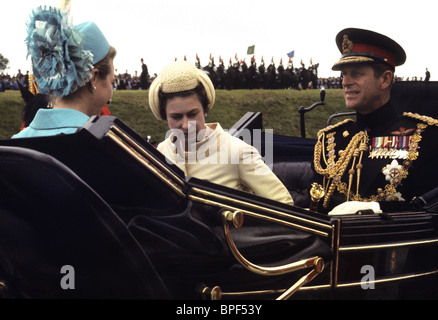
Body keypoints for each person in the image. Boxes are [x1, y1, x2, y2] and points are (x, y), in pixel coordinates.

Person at [312, 28, 438, 215]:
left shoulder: (425, 136)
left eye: (356, 74)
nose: (345, 82)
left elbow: (431, 210)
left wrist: (377, 209)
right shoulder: (330, 140)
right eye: (343, 74)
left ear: (385, 79)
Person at [148, 61, 294, 205]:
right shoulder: (161, 151)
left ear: (205, 109)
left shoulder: (238, 152)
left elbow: (284, 205)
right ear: (164, 116)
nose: (186, 125)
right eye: (176, 117)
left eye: (193, 114)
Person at [12, 6, 116, 139]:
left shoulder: (15, 142)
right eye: (111, 82)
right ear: (93, 77)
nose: (110, 98)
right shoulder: (106, 147)